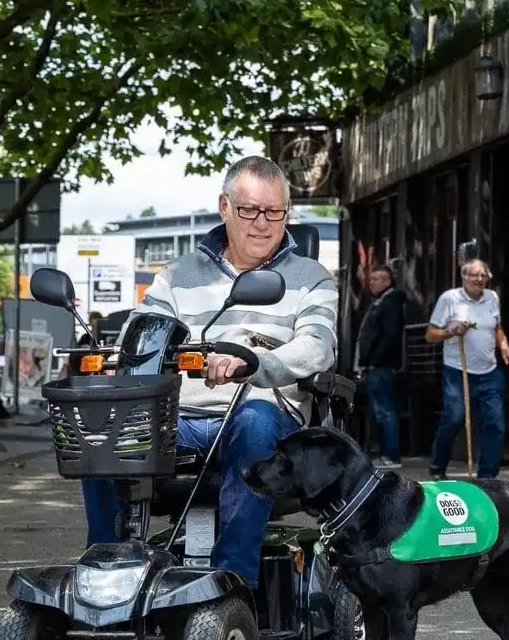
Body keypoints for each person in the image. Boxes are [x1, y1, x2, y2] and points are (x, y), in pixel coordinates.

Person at [79, 156, 338, 589]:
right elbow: (142, 332)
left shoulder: (310, 278)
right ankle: (106, 570)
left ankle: (232, 584)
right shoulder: (177, 276)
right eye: (249, 211)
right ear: (224, 207)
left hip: (264, 413)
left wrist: (254, 363)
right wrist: (117, 365)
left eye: (274, 212)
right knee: (105, 426)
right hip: (179, 417)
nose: (262, 223)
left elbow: (317, 346)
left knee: (254, 422)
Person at [425, 258, 509, 480]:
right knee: (455, 418)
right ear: (464, 277)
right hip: (458, 370)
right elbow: (430, 334)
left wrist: (505, 348)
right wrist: (451, 331)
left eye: (483, 275)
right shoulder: (450, 299)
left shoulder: (492, 298)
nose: (479, 279)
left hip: (489, 371)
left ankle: (487, 477)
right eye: (474, 275)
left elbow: (496, 327)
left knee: (494, 423)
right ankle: (437, 468)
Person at [354, 264, 407, 469]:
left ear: (387, 281)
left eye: (377, 278)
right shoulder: (378, 302)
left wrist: (375, 358)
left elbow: (390, 334)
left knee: (385, 410)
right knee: (378, 411)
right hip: (374, 365)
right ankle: (384, 452)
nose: (372, 282)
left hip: (382, 365)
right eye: (372, 278)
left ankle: (391, 455)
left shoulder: (390, 302)